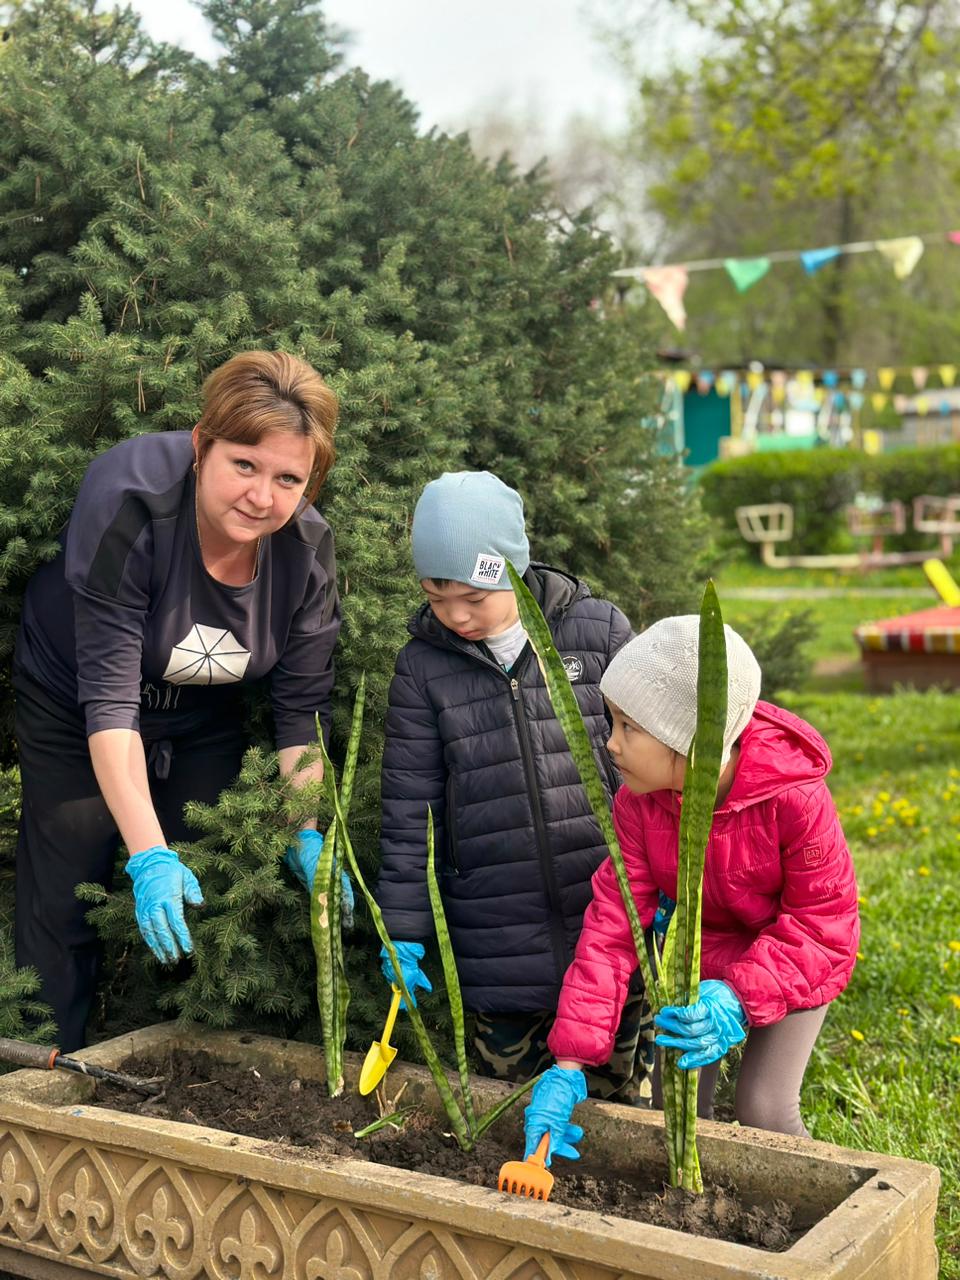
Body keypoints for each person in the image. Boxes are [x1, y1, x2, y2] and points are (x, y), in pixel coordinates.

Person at [14, 350, 346, 1051]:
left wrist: (308, 830)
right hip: (77, 700)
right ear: (201, 447)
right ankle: (42, 1070)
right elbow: (108, 705)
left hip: (202, 713)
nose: (262, 497)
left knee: (209, 878)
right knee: (68, 877)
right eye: (245, 465)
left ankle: (167, 1065)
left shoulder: (308, 554)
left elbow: (298, 714)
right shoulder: (129, 505)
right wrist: (147, 856)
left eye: (289, 478)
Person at [523, 616, 860, 1164]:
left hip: (795, 959)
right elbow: (614, 926)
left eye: (628, 727)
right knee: (673, 1110)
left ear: (690, 742)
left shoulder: (795, 799)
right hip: (697, 960)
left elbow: (824, 928)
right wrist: (567, 1067)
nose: (609, 743)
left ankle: (822, 1223)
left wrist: (739, 997)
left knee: (764, 1107)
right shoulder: (637, 804)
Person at [375, 471, 653, 1103]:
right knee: (506, 1103)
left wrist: (667, 884)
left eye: (473, 595)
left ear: (512, 569)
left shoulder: (598, 632)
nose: (454, 614)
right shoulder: (423, 666)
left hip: (607, 921)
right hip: (493, 929)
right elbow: (409, 809)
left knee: (617, 1107)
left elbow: (659, 766)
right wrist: (405, 930)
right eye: (436, 596)